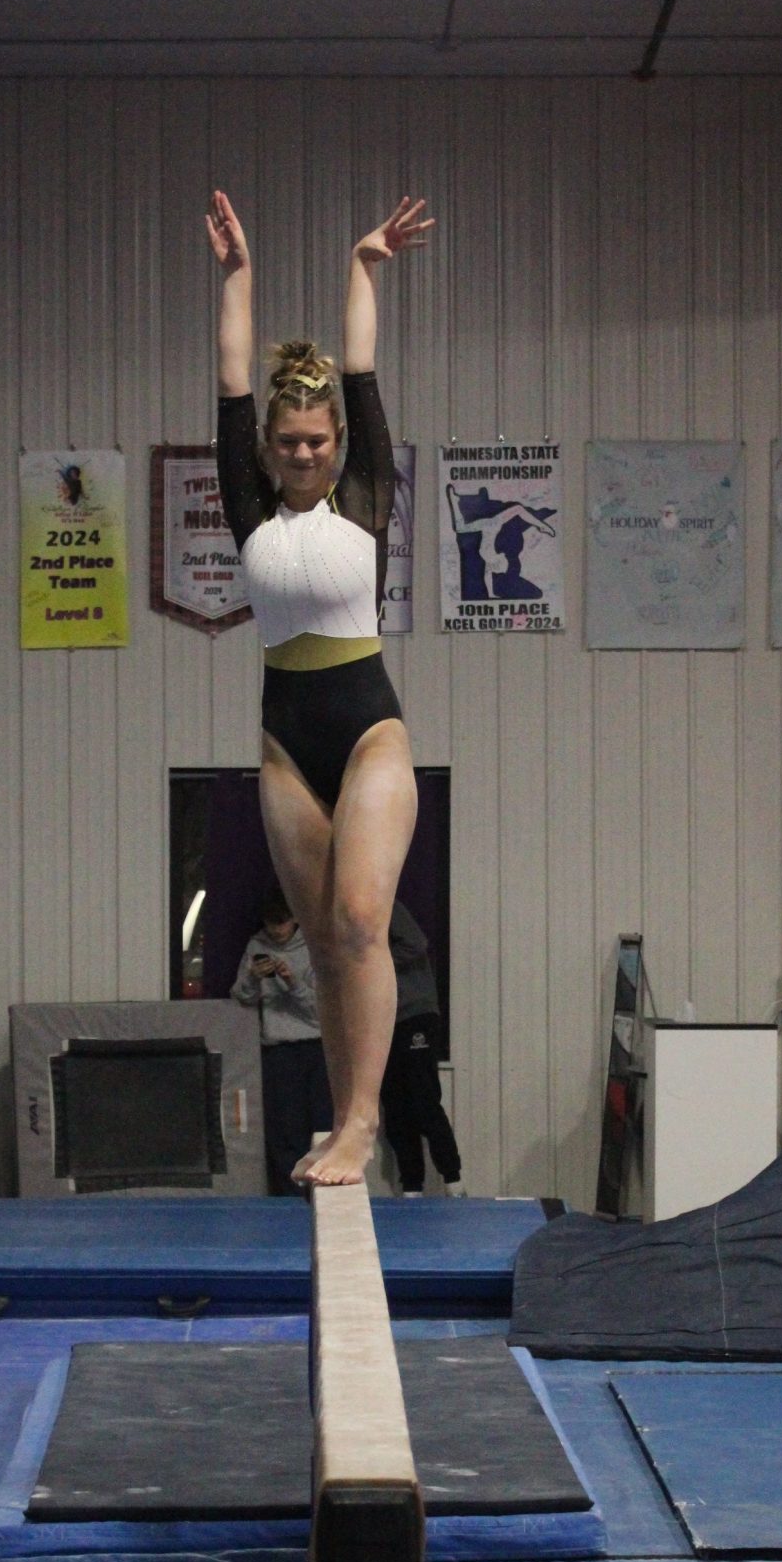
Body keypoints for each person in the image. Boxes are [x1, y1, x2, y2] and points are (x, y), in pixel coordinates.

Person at [209, 185, 432, 1185]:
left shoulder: (368, 498)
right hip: (285, 743)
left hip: (367, 729)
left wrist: (363, 264)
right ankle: (349, 1123)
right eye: (288, 440)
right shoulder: (250, 507)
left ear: (340, 444)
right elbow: (227, 382)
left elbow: (364, 370)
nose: (303, 451)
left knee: (355, 922)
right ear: (269, 449)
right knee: (323, 954)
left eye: (319, 439)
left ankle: (362, 1123)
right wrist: (238, 278)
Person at [230, 887, 333, 1194]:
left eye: (282, 923)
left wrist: (292, 984)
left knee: (323, 1126)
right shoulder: (256, 945)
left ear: (295, 919)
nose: (276, 932)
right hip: (278, 1050)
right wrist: (252, 976)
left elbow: (320, 1012)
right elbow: (241, 996)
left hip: (316, 1047)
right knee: (285, 1131)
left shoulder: (314, 947)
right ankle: (291, 1196)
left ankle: (325, 1192)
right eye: (271, 924)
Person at [382, 898, 465, 1196]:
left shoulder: (385, 904)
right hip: (383, 1020)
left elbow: (416, 943)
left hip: (415, 1014)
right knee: (394, 1106)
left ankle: (453, 1179)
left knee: (424, 1100)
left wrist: (374, 960)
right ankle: (412, 1183)